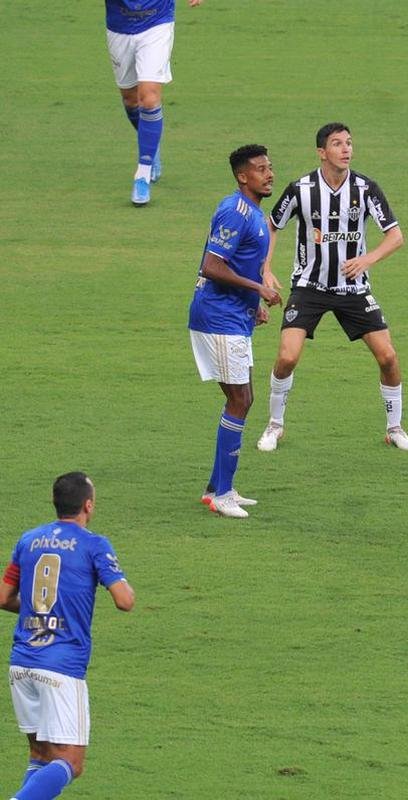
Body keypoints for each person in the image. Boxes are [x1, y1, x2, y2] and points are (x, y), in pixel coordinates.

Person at [257, 122, 408, 453]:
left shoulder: (365, 189)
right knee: (287, 357)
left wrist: (367, 260)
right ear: (321, 152)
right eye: (337, 144)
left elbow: (396, 235)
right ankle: (274, 426)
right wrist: (266, 268)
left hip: (353, 288)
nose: (346, 149)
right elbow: (271, 226)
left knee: (388, 356)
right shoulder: (300, 189)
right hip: (309, 286)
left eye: (348, 143)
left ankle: (395, 428)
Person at [1, 472, 135, 800]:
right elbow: (124, 601)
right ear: (88, 505)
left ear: (55, 503)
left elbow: (3, 598)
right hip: (61, 668)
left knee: (40, 756)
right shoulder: (94, 545)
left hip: (22, 664)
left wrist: (41, 613)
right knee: (71, 763)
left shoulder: (28, 539)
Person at [187, 144, 282, 519]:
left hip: (234, 315)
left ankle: (217, 488)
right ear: (243, 176)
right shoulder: (235, 211)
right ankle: (221, 493)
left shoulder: (255, 214)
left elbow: (235, 265)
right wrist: (258, 288)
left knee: (243, 397)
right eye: (261, 169)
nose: (269, 174)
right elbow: (211, 265)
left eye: (270, 167)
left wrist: (251, 304)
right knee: (240, 400)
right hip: (217, 317)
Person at [105, 0, 204, 206]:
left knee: (149, 98)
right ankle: (150, 146)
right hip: (119, 25)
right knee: (130, 99)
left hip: (157, 22)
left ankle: (143, 173)